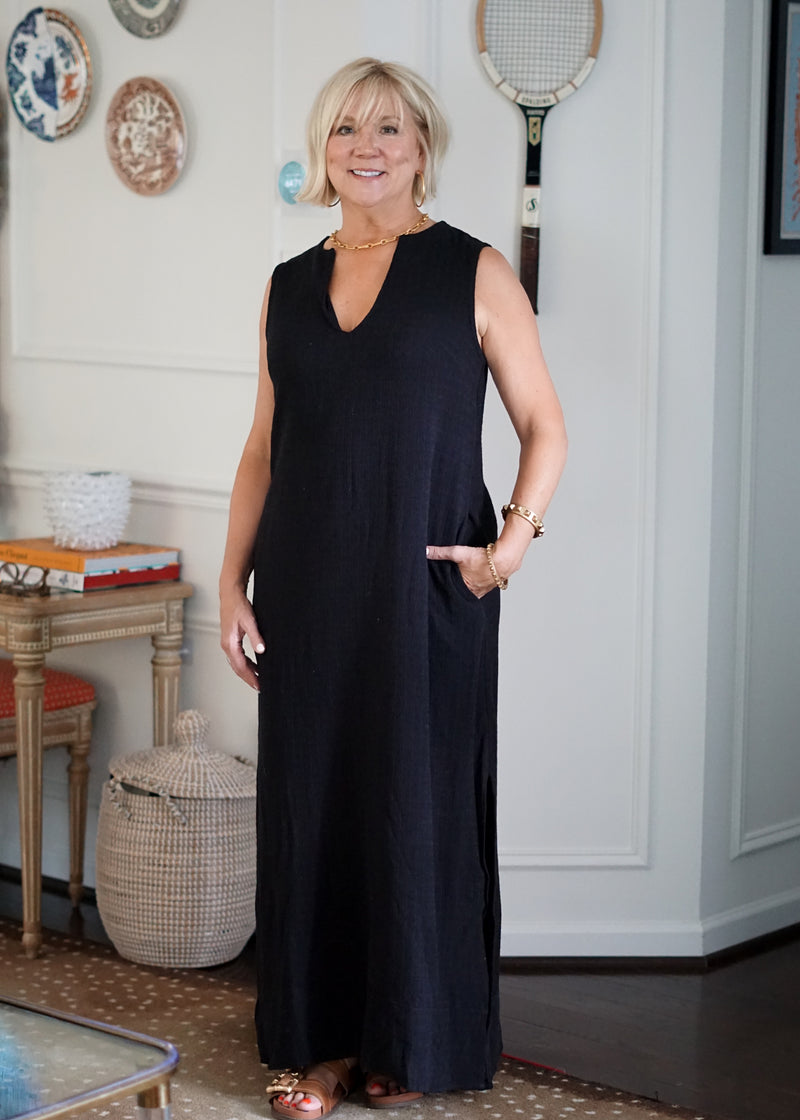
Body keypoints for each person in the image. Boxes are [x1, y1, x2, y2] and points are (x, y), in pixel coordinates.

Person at [219, 57, 567, 1119]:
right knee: (315, 811)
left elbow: (545, 428)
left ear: (422, 147)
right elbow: (261, 452)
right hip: (304, 597)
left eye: (387, 128)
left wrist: (507, 550)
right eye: (345, 129)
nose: (365, 147)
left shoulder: (472, 271)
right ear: (322, 150)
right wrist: (230, 583)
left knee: (415, 813)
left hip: (424, 604)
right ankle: (324, 1049)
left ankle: (408, 1039)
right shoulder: (285, 285)